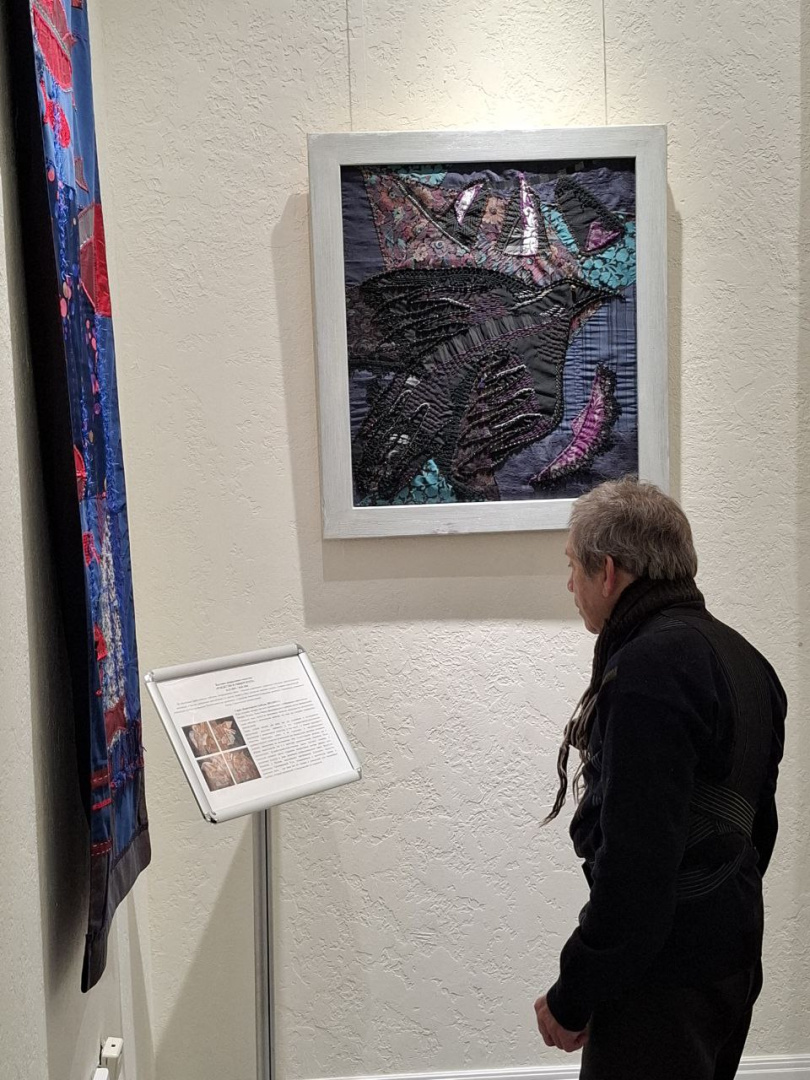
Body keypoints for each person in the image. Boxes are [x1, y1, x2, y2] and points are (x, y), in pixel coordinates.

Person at [533, 478, 786, 1080]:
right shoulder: (747, 659)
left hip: (663, 979)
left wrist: (575, 992)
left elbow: (636, 864)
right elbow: (758, 833)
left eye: (572, 566)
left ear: (607, 572)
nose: (569, 585)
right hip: (729, 959)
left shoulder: (650, 666)